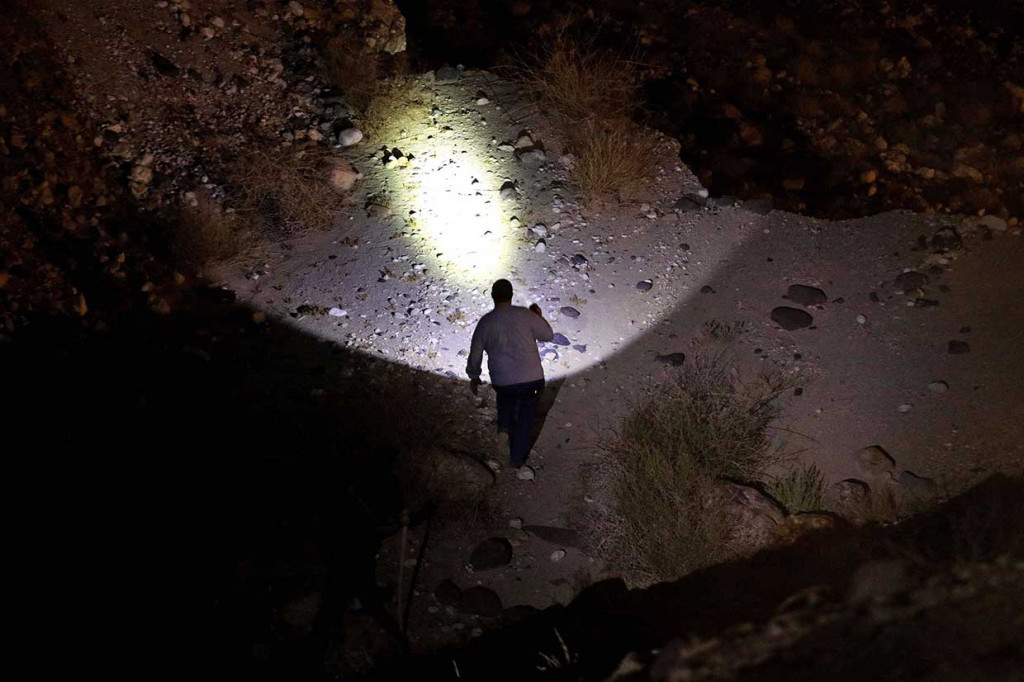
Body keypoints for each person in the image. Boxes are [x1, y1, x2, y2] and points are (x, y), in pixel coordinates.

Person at [466, 279, 553, 471]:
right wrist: (538, 316)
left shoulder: (485, 322)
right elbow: (548, 335)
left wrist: (474, 375)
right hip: (531, 377)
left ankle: (504, 427)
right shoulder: (525, 315)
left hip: (502, 380)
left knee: (505, 399)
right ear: (511, 295)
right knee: (526, 417)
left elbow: (475, 352)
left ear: (493, 297)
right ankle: (517, 459)